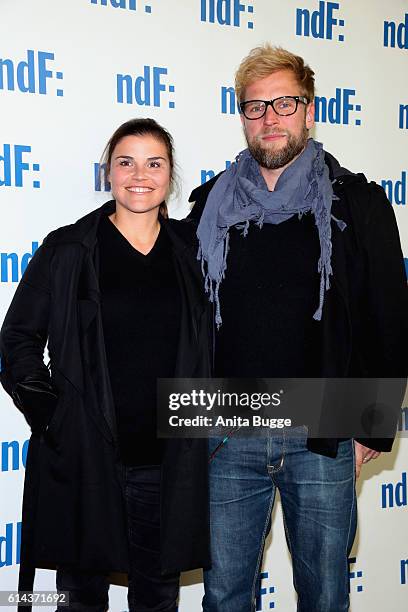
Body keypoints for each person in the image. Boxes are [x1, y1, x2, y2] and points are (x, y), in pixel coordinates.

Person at [188, 45, 408, 611]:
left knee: (325, 594)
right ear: (242, 116)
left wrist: (370, 426)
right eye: (255, 107)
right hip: (227, 429)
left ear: (309, 110)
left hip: (324, 433)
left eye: (284, 103)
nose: (270, 118)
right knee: (225, 595)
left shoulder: (357, 203)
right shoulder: (210, 205)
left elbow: (389, 315)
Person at [0, 118, 211, 612]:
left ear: (170, 174)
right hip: (87, 457)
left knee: (158, 597)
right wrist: (53, 414)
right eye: (126, 162)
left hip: (168, 461)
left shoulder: (194, 251)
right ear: (108, 173)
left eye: (154, 163)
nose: (140, 174)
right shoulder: (68, 247)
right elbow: (18, 338)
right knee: (80, 596)